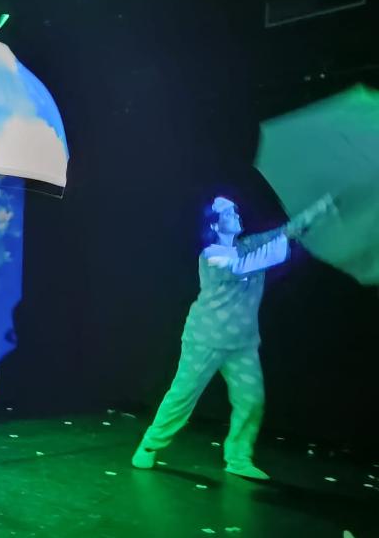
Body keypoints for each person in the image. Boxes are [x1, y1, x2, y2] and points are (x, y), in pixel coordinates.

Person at [131, 194, 336, 480]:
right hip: (205, 339)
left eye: (235, 211)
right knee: (182, 396)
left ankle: (238, 458)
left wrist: (319, 209)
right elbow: (243, 266)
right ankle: (150, 445)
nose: (236, 214)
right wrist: (282, 243)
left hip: (242, 343)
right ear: (215, 225)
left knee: (251, 400)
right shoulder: (211, 255)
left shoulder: (247, 245)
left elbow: (285, 231)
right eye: (228, 213)